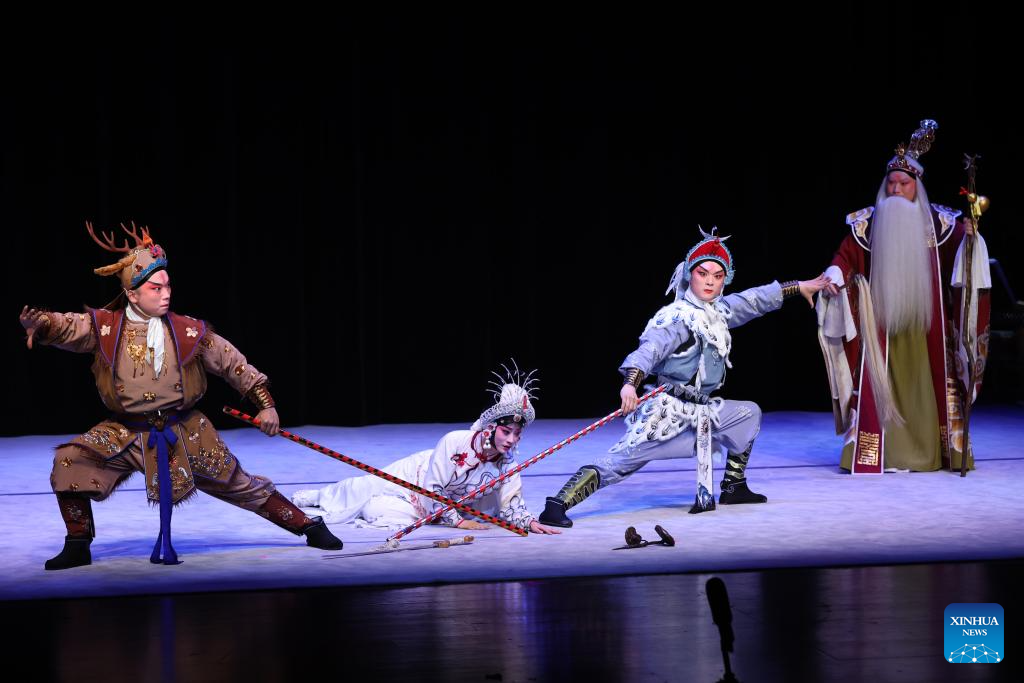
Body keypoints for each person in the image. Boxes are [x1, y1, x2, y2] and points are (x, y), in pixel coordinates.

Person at [19, 221, 342, 570]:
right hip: (126, 430)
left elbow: (232, 362)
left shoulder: (188, 331)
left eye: (168, 285)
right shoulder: (105, 328)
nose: (166, 293)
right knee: (70, 460)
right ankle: (77, 544)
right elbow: (68, 325)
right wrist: (43, 324)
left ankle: (308, 525)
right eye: (155, 288)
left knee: (238, 484)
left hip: (184, 430)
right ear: (132, 294)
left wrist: (266, 406)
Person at [539, 228, 829, 526]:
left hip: (703, 411)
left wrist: (798, 287)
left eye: (717, 276)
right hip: (668, 416)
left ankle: (733, 486)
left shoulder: (718, 311)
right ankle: (557, 504)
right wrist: (630, 384)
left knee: (748, 414)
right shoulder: (678, 318)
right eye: (703, 274)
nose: (710, 281)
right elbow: (650, 349)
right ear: (690, 275)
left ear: (725, 280)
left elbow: (753, 300)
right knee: (621, 461)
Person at [816, 120, 991, 473]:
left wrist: (972, 239)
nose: (896, 189)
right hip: (880, 327)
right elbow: (845, 257)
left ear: (917, 186)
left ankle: (933, 451)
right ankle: (879, 452)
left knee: (925, 387)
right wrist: (834, 274)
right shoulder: (866, 224)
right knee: (880, 385)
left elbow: (964, 261)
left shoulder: (942, 223)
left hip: (927, 327)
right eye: (891, 183)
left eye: (904, 184)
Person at [292, 367, 561, 535]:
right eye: (506, 431)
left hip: (439, 505)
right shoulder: (455, 441)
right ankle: (319, 495)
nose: (512, 440)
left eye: (517, 434)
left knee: (376, 511)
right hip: (418, 477)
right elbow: (433, 487)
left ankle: (432, 514)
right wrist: (457, 522)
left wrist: (528, 522)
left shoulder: (508, 463)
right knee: (363, 486)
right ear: (491, 428)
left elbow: (511, 502)